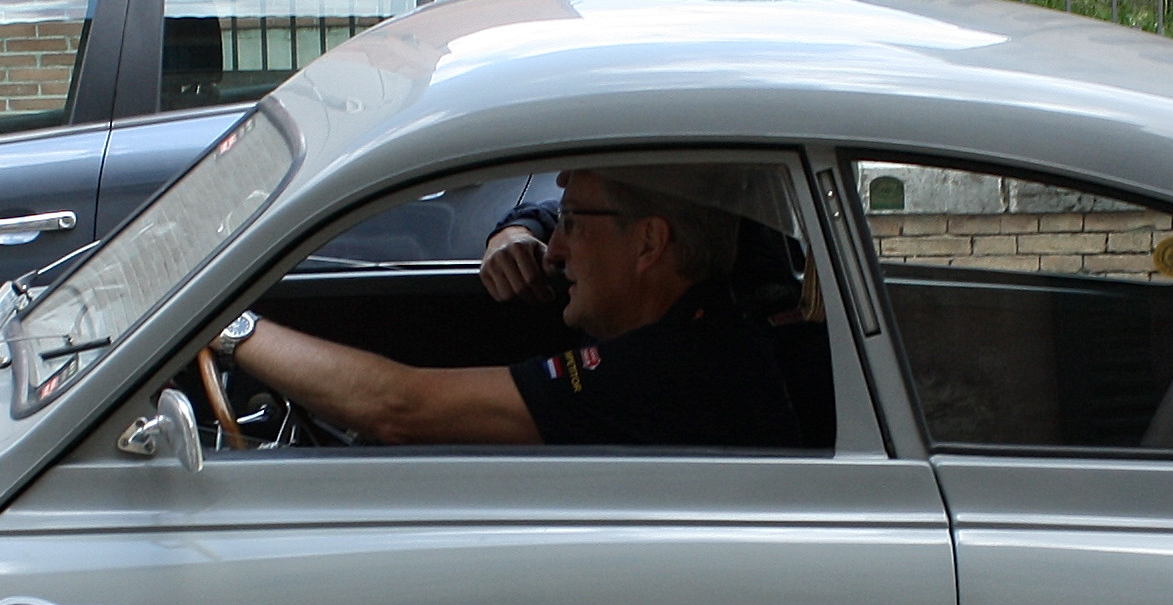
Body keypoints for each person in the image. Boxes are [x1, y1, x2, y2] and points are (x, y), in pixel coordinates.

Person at [220, 166, 800, 448]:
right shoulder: (703, 327)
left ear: (649, 242)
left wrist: (229, 328)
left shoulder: (669, 370)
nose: (557, 251)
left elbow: (397, 406)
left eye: (571, 222)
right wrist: (523, 225)